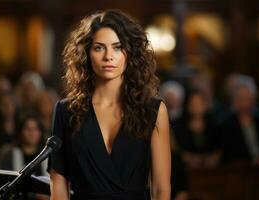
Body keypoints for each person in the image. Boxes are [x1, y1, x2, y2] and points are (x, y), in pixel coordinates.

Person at [48, 10, 171, 200]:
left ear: (130, 52)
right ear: (86, 54)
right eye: (99, 48)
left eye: (117, 47)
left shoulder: (153, 110)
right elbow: (58, 186)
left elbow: (161, 190)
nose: (108, 56)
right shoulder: (66, 111)